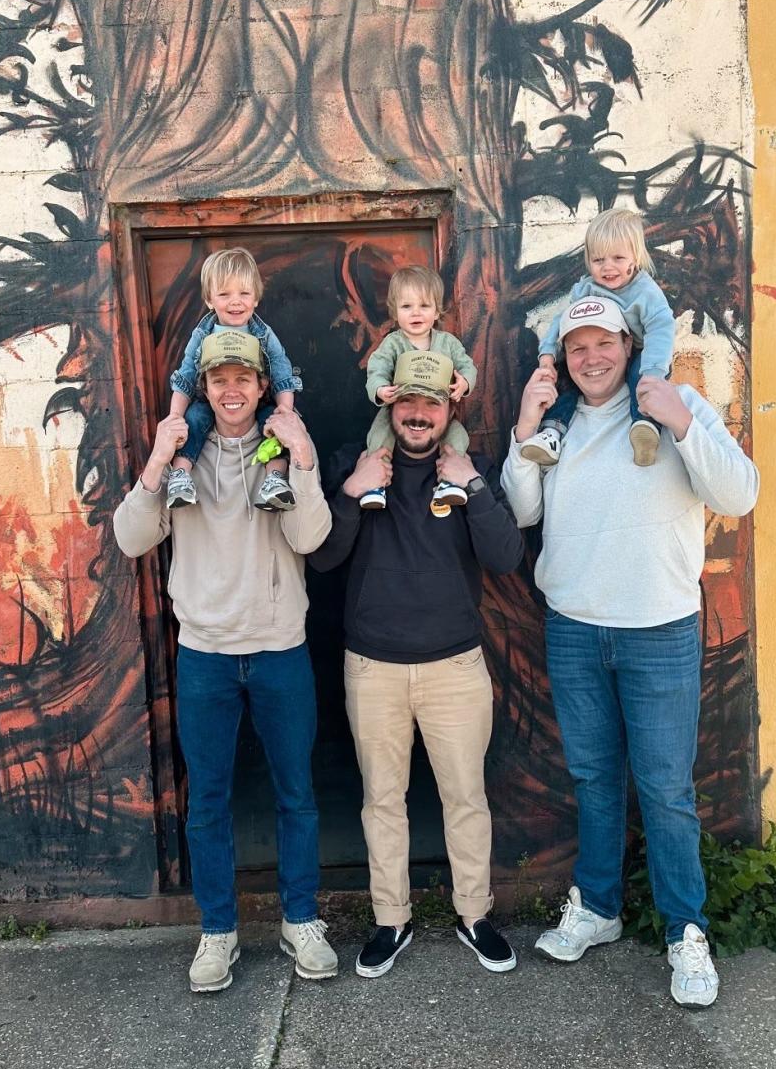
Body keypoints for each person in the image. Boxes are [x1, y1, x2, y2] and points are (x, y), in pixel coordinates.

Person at [502, 297, 760, 1007]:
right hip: (575, 627)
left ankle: (686, 932)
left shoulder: (673, 404)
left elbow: (739, 494)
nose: (592, 358)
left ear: (629, 344)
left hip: (659, 631)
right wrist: (525, 428)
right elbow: (521, 510)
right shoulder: (557, 425)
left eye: (604, 343)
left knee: (667, 792)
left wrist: (682, 424)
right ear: (564, 354)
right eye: (578, 346)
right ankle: (601, 908)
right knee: (593, 778)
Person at [113, 328, 338, 994]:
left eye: (244, 379)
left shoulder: (284, 448)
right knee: (207, 802)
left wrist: (302, 461)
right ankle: (218, 931)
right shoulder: (185, 458)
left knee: (295, 796)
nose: (232, 390)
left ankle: (302, 921)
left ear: (263, 385)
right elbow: (131, 538)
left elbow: (311, 536)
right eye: (219, 380)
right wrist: (156, 459)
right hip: (206, 656)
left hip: (279, 652)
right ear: (204, 387)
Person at [309, 348, 525, 978]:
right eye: (407, 401)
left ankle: (474, 916)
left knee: (465, 797)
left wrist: (475, 485)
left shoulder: (469, 470)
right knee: (383, 802)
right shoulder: (358, 463)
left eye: (431, 402)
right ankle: (389, 922)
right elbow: (322, 558)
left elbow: (507, 556)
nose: (418, 414)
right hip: (373, 667)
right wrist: (352, 493)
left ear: (449, 407)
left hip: (455, 666)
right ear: (391, 404)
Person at [519, 206, 675, 470]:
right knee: (566, 380)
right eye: (598, 260)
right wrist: (546, 355)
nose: (608, 267)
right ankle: (552, 432)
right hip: (612, 353)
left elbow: (661, 327)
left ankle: (645, 427)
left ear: (634, 257)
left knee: (641, 380)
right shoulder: (588, 288)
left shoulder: (645, 292)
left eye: (617, 257)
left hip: (643, 353)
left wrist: (654, 369)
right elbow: (562, 321)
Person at [164, 246, 301, 513]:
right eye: (224, 294)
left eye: (244, 293)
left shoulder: (263, 334)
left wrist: (284, 407)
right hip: (211, 402)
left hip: (256, 402)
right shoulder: (202, 334)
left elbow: (282, 370)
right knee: (193, 419)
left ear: (256, 298)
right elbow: (186, 376)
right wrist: (174, 416)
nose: (235, 302)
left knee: (274, 424)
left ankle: (275, 478)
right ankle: (180, 477)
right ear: (209, 300)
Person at [361, 264, 478, 516]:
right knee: (379, 436)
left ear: (437, 311)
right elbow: (377, 368)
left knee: (458, 438)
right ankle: (376, 483)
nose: (416, 313)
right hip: (399, 408)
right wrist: (380, 389)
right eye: (406, 307)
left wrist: (464, 383)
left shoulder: (447, 343)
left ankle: (448, 482)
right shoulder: (393, 343)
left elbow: (467, 365)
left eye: (424, 306)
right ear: (394, 312)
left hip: (440, 413)